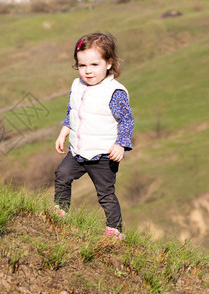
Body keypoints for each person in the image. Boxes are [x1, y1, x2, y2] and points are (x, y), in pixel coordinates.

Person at [53, 32, 134, 240]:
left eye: (94, 65)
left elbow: (126, 120)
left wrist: (121, 145)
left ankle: (114, 230)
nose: (88, 71)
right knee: (62, 175)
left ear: (108, 63)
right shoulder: (77, 85)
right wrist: (64, 131)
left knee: (105, 194)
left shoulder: (114, 92)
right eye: (82, 66)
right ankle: (60, 211)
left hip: (103, 154)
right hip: (78, 150)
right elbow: (73, 110)